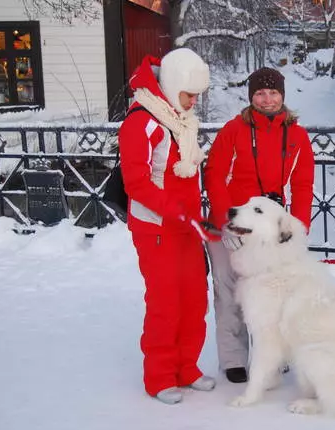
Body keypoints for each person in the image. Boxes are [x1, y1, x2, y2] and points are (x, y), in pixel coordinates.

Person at [118, 48, 220, 404]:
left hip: (185, 225)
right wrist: (174, 210)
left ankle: (186, 368)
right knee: (165, 303)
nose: (194, 102)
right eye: (189, 94)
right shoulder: (141, 120)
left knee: (194, 299)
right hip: (156, 228)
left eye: (197, 96)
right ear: (173, 84)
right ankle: (160, 376)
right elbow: (136, 182)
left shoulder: (180, 120)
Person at [203, 67, 315, 383]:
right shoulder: (233, 130)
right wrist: (226, 223)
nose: (267, 99)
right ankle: (234, 359)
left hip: (268, 230)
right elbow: (214, 175)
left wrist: (297, 228)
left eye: (273, 93)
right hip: (231, 225)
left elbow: (304, 183)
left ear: (282, 96)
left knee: (272, 294)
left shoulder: (297, 135)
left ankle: (273, 355)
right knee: (228, 290)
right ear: (251, 97)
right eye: (260, 94)